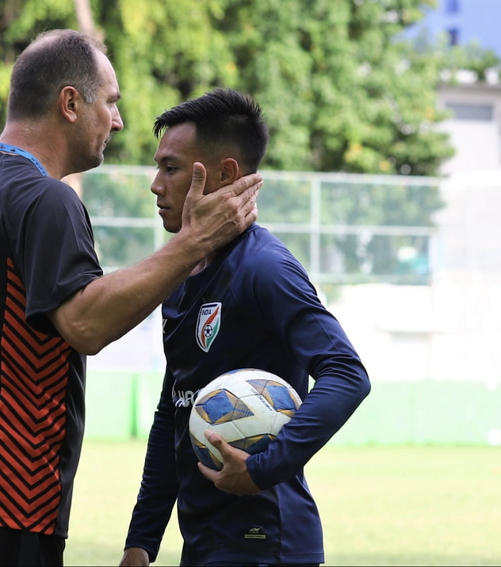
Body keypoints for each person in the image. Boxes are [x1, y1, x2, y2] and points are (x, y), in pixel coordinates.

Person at [0, 31, 263, 566]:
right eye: (111, 102)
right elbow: (85, 324)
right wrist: (194, 242)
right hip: (7, 503)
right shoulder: (45, 198)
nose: (117, 121)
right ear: (70, 103)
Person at [120, 89, 371, 567]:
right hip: (205, 543)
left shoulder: (264, 268)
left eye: (171, 168)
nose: (155, 185)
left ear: (224, 174)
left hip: (265, 543)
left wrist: (262, 469)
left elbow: (347, 374)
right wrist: (142, 539)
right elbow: (174, 410)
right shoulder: (181, 276)